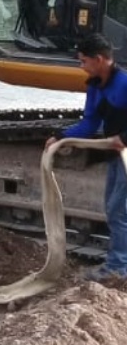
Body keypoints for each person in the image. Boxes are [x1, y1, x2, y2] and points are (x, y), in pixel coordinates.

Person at [45, 32, 127, 280]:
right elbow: (90, 123)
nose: (81, 66)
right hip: (116, 155)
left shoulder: (123, 84)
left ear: (100, 59)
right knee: (113, 208)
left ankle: (119, 268)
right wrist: (60, 137)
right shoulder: (96, 86)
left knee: (117, 210)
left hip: (124, 152)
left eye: (83, 61)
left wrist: (123, 139)